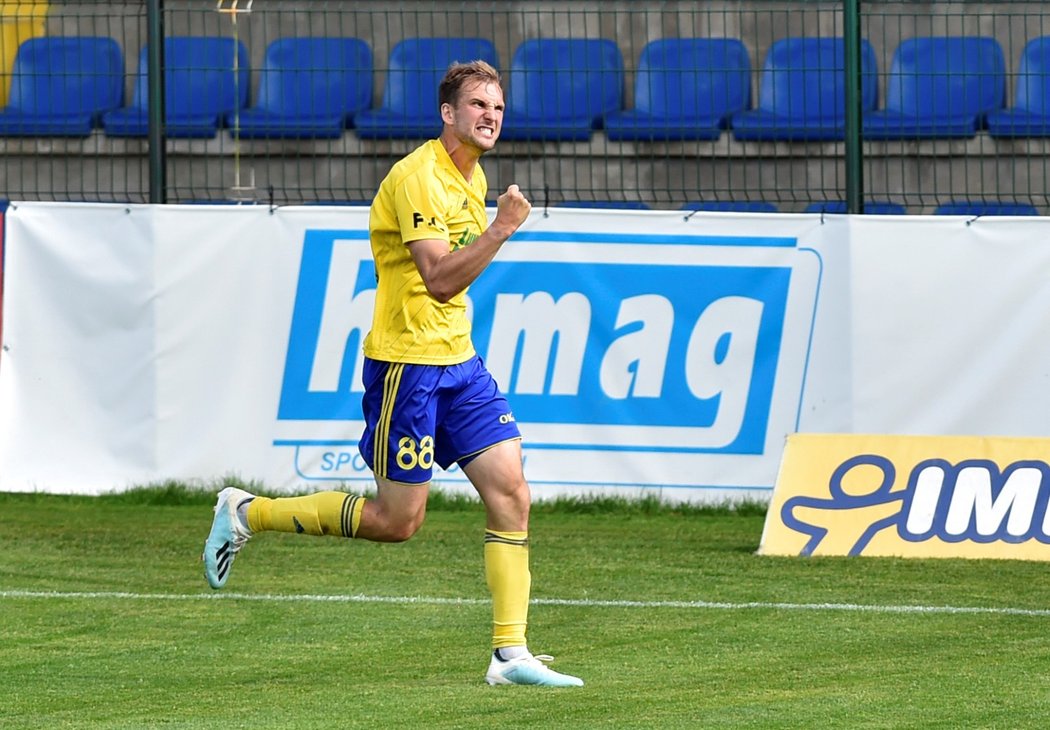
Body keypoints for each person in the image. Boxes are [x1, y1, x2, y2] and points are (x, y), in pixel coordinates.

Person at [202, 60, 583, 688]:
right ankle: (247, 513)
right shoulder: (418, 178)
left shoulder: (472, 175)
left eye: (499, 107)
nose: (491, 116)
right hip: (408, 367)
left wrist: (493, 226)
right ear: (448, 114)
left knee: (512, 493)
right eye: (479, 105)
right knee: (398, 521)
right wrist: (503, 229)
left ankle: (510, 656)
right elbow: (437, 280)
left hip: (459, 363)